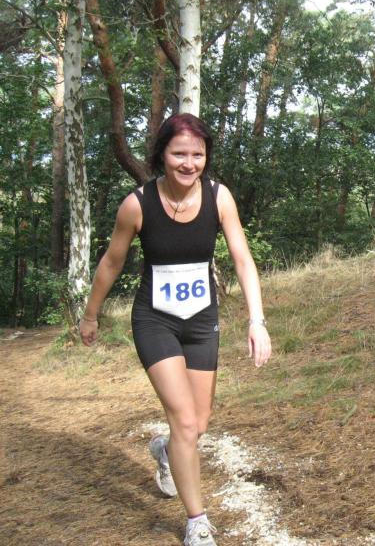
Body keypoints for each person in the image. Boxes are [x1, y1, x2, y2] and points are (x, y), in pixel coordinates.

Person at [79, 113, 272, 546]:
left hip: (201, 321)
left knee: (197, 425)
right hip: (156, 321)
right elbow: (112, 262)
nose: (189, 163)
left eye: (197, 155)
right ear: (161, 155)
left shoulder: (219, 198)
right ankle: (196, 521)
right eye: (179, 153)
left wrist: (257, 321)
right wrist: (91, 315)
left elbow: (243, 259)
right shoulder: (137, 205)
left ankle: (165, 451)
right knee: (184, 421)